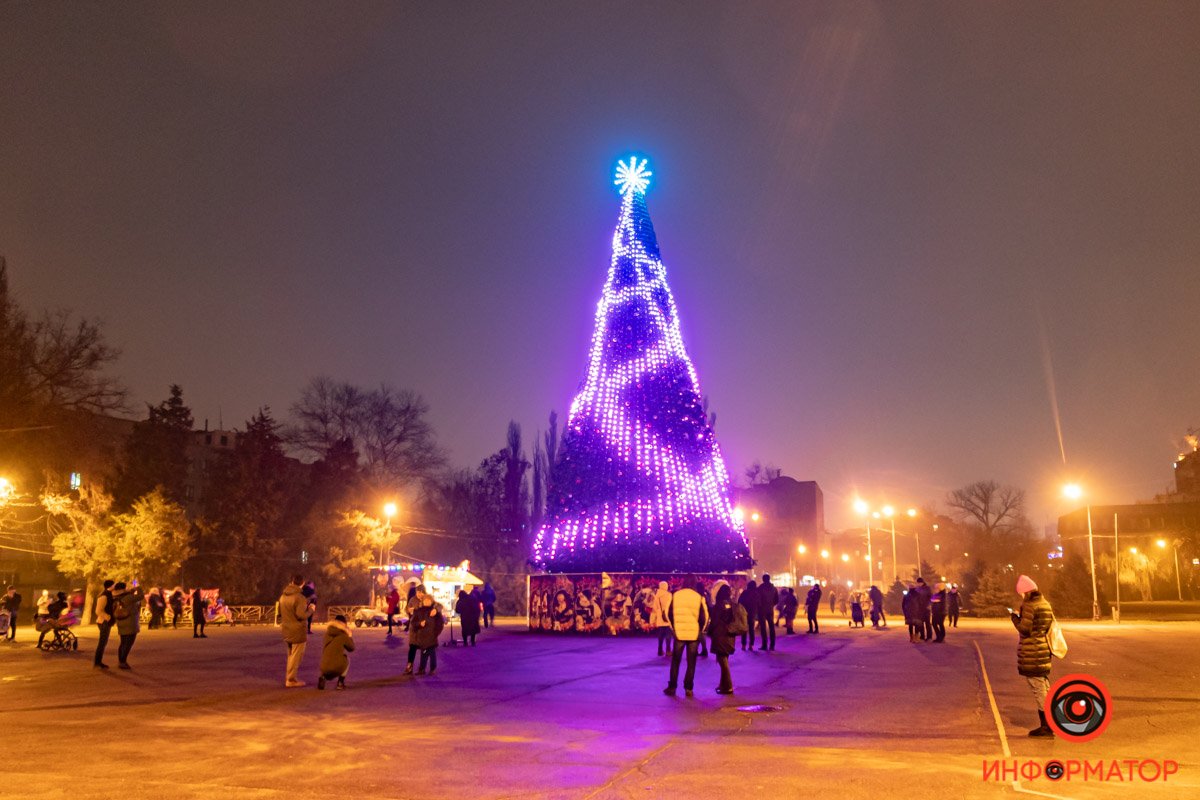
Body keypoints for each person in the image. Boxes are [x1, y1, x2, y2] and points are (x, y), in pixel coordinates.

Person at [1012, 575, 1056, 737]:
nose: (1021, 597)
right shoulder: (1045, 604)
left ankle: (1047, 726)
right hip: (1043, 650)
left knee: (1039, 689)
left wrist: (1015, 618)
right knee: (1044, 686)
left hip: (1032, 652)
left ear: (1026, 592)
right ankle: (1050, 722)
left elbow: (1025, 629)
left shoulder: (1030, 605)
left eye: (1021, 594)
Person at [664, 575, 707, 697]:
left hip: (679, 633)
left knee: (675, 661)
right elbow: (705, 616)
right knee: (691, 662)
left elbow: (667, 613)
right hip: (693, 633)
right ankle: (688, 688)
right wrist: (701, 630)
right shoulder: (699, 597)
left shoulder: (675, 595)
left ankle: (672, 687)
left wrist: (673, 627)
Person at [279, 574, 313, 688]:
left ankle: (289, 677)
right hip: (297, 631)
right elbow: (301, 615)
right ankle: (291, 680)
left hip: (286, 629)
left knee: (290, 656)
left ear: (292, 582)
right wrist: (310, 610)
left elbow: (281, 613)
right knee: (296, 656)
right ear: (302, 583)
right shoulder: (299, 597)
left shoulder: (283, 596)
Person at [708, 583, 736, 695]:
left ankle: (728, 686)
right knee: (724, 659)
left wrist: (709, 632)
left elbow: (714, 621)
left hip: (720, 635)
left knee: (723, 661)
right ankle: (722, 684)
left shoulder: (718, 606)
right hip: (729, 635)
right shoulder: (732, 605)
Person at [409, 592, 444, 675]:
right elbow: (413, 622)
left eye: (429, 600)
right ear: (423, 601)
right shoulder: (418, 611)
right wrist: (419, 624)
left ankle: (433, 669)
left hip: (432, 636)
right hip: (422, 636)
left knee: (432, 654)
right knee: (423, 653)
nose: (427, 602)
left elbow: (440, 624)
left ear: (431, 601)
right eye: (425, 600)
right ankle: (422, 669)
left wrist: (436, 633)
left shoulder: (435, 611)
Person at [318, 614, 355, 690]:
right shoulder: (343, 635)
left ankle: (322, 677)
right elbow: (351, 648)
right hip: (336, 666)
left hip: (323, 666)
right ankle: (340, 683)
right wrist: (350, 636)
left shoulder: (327, 633)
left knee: (328, 657)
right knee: (347, 659)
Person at [113, 582, 144, 669]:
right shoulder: (129, 597)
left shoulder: (116, 598)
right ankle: (123, 661)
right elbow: (141, 596)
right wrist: (138, 587)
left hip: (121, 622)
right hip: (130, 622)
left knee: (123, 643)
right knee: (129, 643)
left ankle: (121, 660)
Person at [94, 580, 115, 669]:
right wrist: (108, 617)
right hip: (103, 622)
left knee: (103, 642)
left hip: (106, 622)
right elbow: (98, 611)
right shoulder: (104, 596)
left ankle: (98, 662)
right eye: (114, 585)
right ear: (110, 586)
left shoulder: (109, 595)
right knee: (102, 643)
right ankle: (97, 662)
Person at [757, 574, 778, 651]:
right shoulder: (774, 588)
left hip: (762, 610)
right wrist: (771, 605)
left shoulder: (760, 588)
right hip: (770, 609)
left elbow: (757, 599)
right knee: (771, 627)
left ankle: (764, 645)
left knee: (763, 628)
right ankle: (772, 645)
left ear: (763, 579)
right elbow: (776, 600)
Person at [651, 581, 673, 656]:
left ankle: (660, 650)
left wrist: (653, 620)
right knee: (668, 634)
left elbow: (654, 608)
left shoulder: (656, 595)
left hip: (660, 618)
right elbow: (671, 606)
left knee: (660, 635)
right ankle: (668, 650)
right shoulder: (669, 595)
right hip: (667, 617)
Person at [738, 580, 759, 651]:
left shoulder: (745, 593)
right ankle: (751, 645)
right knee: (751, 630)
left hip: (744, 613)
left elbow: (739, 601)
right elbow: (759, 603)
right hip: (752, 613)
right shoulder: (756, 594)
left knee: (744, 629)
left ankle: (743, 645)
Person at [694, 580, 710, 657]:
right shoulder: (706, 595)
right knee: (701, 633)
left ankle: (702, 650)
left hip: (697, 615)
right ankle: (702, 649)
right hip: (704, 616)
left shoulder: (696, 595)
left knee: (698, 634)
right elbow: (709, 605)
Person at [915, 577, 933, 642]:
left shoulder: (927, 588)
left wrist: (929, 605)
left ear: (922, 582)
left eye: (919, 583)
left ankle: (929, 637)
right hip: (919, 609)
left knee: (927, 623)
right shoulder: (917, 589)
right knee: (921, 623)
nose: (918, 584)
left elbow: (931, 597)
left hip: (926, 608)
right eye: (917, 583)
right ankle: (922, 636)